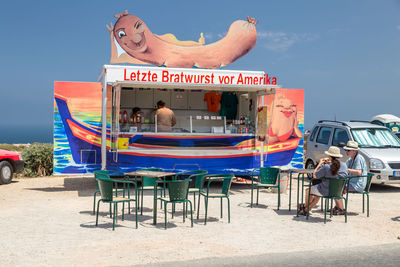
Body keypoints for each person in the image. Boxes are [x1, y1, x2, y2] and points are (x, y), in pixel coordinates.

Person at [299, 146, 348, 215]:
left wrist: (320, 164)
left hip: (325, 191)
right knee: (317, 193)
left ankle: (305, 208)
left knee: (308, 190)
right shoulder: (344, 165)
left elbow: (315, 175)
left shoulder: (326, 166)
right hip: (338, 192)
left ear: (329, 156)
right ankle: (306, 209)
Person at [332, 140, 368, 215]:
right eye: (346, 150)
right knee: (335, 185)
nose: (346, 152)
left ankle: (341, 209)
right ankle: (338, 207)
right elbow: (344, 168)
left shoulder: (359, 158)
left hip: (357, 184)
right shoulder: (350, 159)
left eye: (348, 150)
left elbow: (359, 172)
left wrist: (347, 170)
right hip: (352, 182)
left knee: (337, 188)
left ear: (354, 151)